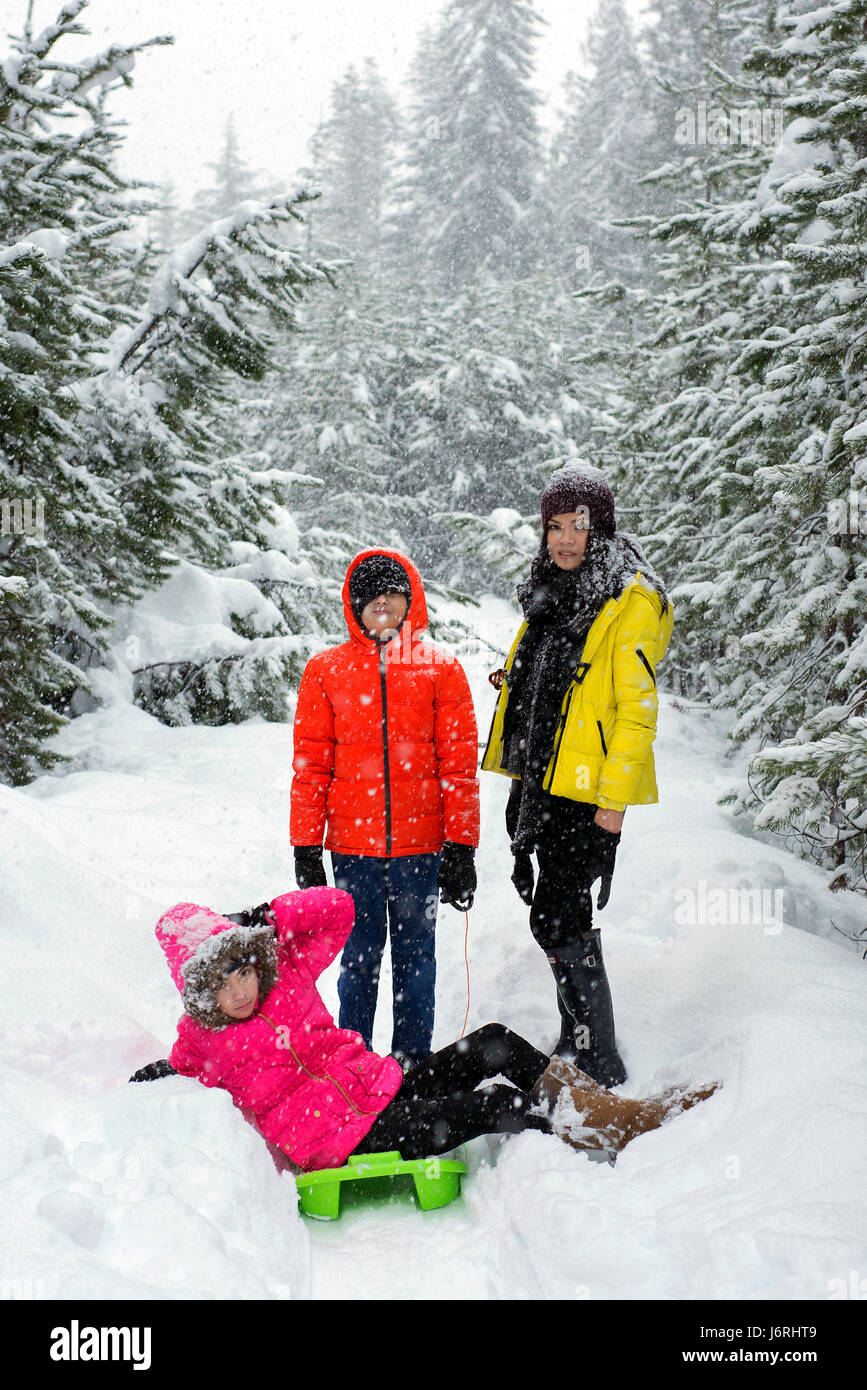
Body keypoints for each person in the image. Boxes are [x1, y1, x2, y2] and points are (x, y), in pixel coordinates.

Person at [132, 889, 716, 1171]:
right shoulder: (201, 1040)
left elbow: (340, 910)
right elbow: (179, 1073)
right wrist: (153, 1075)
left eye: (241, 969)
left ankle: (610, 1113)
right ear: (199, 996)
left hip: (380, 1085)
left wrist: (264, 917)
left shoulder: (283, 973)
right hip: (338, 1139)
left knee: (494, 1042)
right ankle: (591, 1147)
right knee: (495, 1104)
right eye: (221, 985)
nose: (240, 991)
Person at [482, 462, 674, 1087]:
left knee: (558, 917)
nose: (565, 539)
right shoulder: (550, 591)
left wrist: (612, 807)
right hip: (544, 783)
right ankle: (577, 1036)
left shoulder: (626, 598)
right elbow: (551, 682)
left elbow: (635, 713)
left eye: (578, 526)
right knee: (558, 916)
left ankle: (599, 1057)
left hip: (586, 793)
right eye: (555, 526)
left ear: (602, 529)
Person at [289, 549, 479, 1068]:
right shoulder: (325, 671)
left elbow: (459, 766)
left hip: (422, 850)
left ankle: (411, 1062)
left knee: (416, 956)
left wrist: (462, 846)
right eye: (370, 593)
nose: (381, 601)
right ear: (353, 603)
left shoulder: (440, 668)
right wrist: (305, 846)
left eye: (392, 592)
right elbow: (310, 768)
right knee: (358, 958)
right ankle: (354, 1061)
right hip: (352, 852)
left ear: (409, 601)